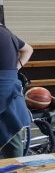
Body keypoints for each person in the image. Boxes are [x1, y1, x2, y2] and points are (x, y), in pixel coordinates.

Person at [0, 23, 33, 158]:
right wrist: (15, 69)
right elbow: (28, 49)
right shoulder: (7, 33)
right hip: (10, 88)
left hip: (4, 90)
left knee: (10, 138)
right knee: (12, 138)